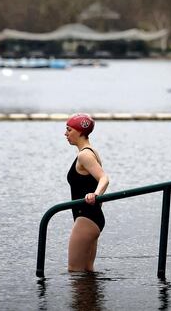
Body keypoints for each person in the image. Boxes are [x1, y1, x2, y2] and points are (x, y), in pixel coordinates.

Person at [64, 113, 110, 272]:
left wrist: (95, 194)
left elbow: (103, 178)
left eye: (69, 130)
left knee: (74, 270)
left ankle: (82, 298)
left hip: (86, 217)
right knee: (87, 271)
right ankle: (91, 298)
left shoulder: (85, 155)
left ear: (80, 132)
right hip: (92, 217)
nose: (66, 134)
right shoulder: (91, 152)